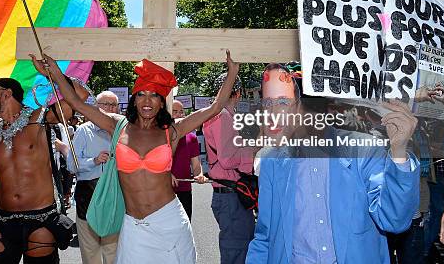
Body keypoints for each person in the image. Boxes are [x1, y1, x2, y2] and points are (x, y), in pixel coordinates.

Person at [30, 50, 239, 264]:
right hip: (133, 226)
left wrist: (233, 72)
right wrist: (53, 72)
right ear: (134, 99)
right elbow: (78, 103)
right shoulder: (117, 126)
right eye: (141, 94)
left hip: (169, 221)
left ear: (161, 102)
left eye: (154, 95)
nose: (147, 101)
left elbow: (214, 108)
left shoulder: (172, 132)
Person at [246, 64, 420, 264]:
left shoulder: (363, 150)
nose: (272, 113)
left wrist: (398, 152)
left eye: (284, 102)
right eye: (268, 103)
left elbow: (395, 220)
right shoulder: (271, 162)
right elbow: (265, 237)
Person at [0, 75, 88, 264]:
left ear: (7, 94)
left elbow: (81, 94)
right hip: (3, 220)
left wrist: (53, 72)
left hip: (41, 219)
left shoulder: (39, 119)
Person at [203, 73, 255, 264]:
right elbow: (227, 160)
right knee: (237, 252)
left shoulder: (220, 115)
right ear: (239, 93)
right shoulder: (222, 116)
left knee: (239, 248)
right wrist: (253, 152)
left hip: (230, 194)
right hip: (231, 196)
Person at [67, 90, 120, 264]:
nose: (111, 109)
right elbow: (71, 165)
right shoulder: (84, 131)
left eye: (114, 105)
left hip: (116, 197)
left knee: (114, 251)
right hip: (88, 196)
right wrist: (94, 161)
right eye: (106, 104)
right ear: (96, 107)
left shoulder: (124, 132)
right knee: (91, 252)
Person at [171, 99, 206, 220]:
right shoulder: (159, 135)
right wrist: (166, 174)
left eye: (181, 112)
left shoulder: (191, 137)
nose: (179, 115)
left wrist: (200, 174)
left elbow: (196, 165)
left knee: (185, 227)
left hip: (184, 190)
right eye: (174, 111)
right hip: (163, 191)